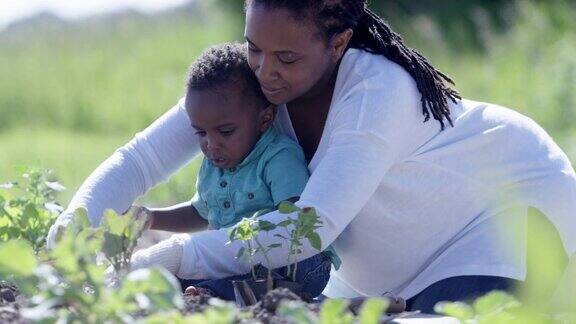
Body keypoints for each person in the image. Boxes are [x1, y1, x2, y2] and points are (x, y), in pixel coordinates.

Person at [47, 0, 576, 313]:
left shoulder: (375, 91)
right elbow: (140, 160)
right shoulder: (251, 85)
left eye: (287, 57)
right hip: (390, 272)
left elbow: (309, 227)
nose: (264, 71)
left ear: (339, 42)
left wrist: (173, 254)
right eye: (254, 47)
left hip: (507, 218)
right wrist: (73, 224)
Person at [110, 42, 333, 300]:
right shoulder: (215, 164)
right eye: (201, 133)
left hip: (296, 262)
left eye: (225, 132)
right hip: (233, 261)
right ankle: (206, 290)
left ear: (264, 119)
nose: (211, 144)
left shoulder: (278, 156)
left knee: (263, 274)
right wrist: (151, 218)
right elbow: (200, 213)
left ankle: (215, 294)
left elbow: (293, 223)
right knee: (176, 272)